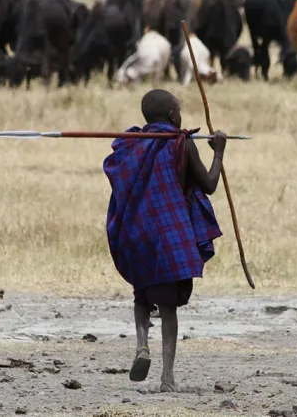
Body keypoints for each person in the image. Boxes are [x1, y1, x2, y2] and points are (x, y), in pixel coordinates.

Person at [103, 88, 227, 393]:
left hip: (138, 230)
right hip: (169, 231)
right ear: (174, 116)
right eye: (180, 111)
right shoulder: (182, 145)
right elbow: (209, 185)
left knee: (142, 293)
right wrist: (219, 151)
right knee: (168, 306)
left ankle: (142, 346)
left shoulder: (133, 144)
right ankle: (167, 377)